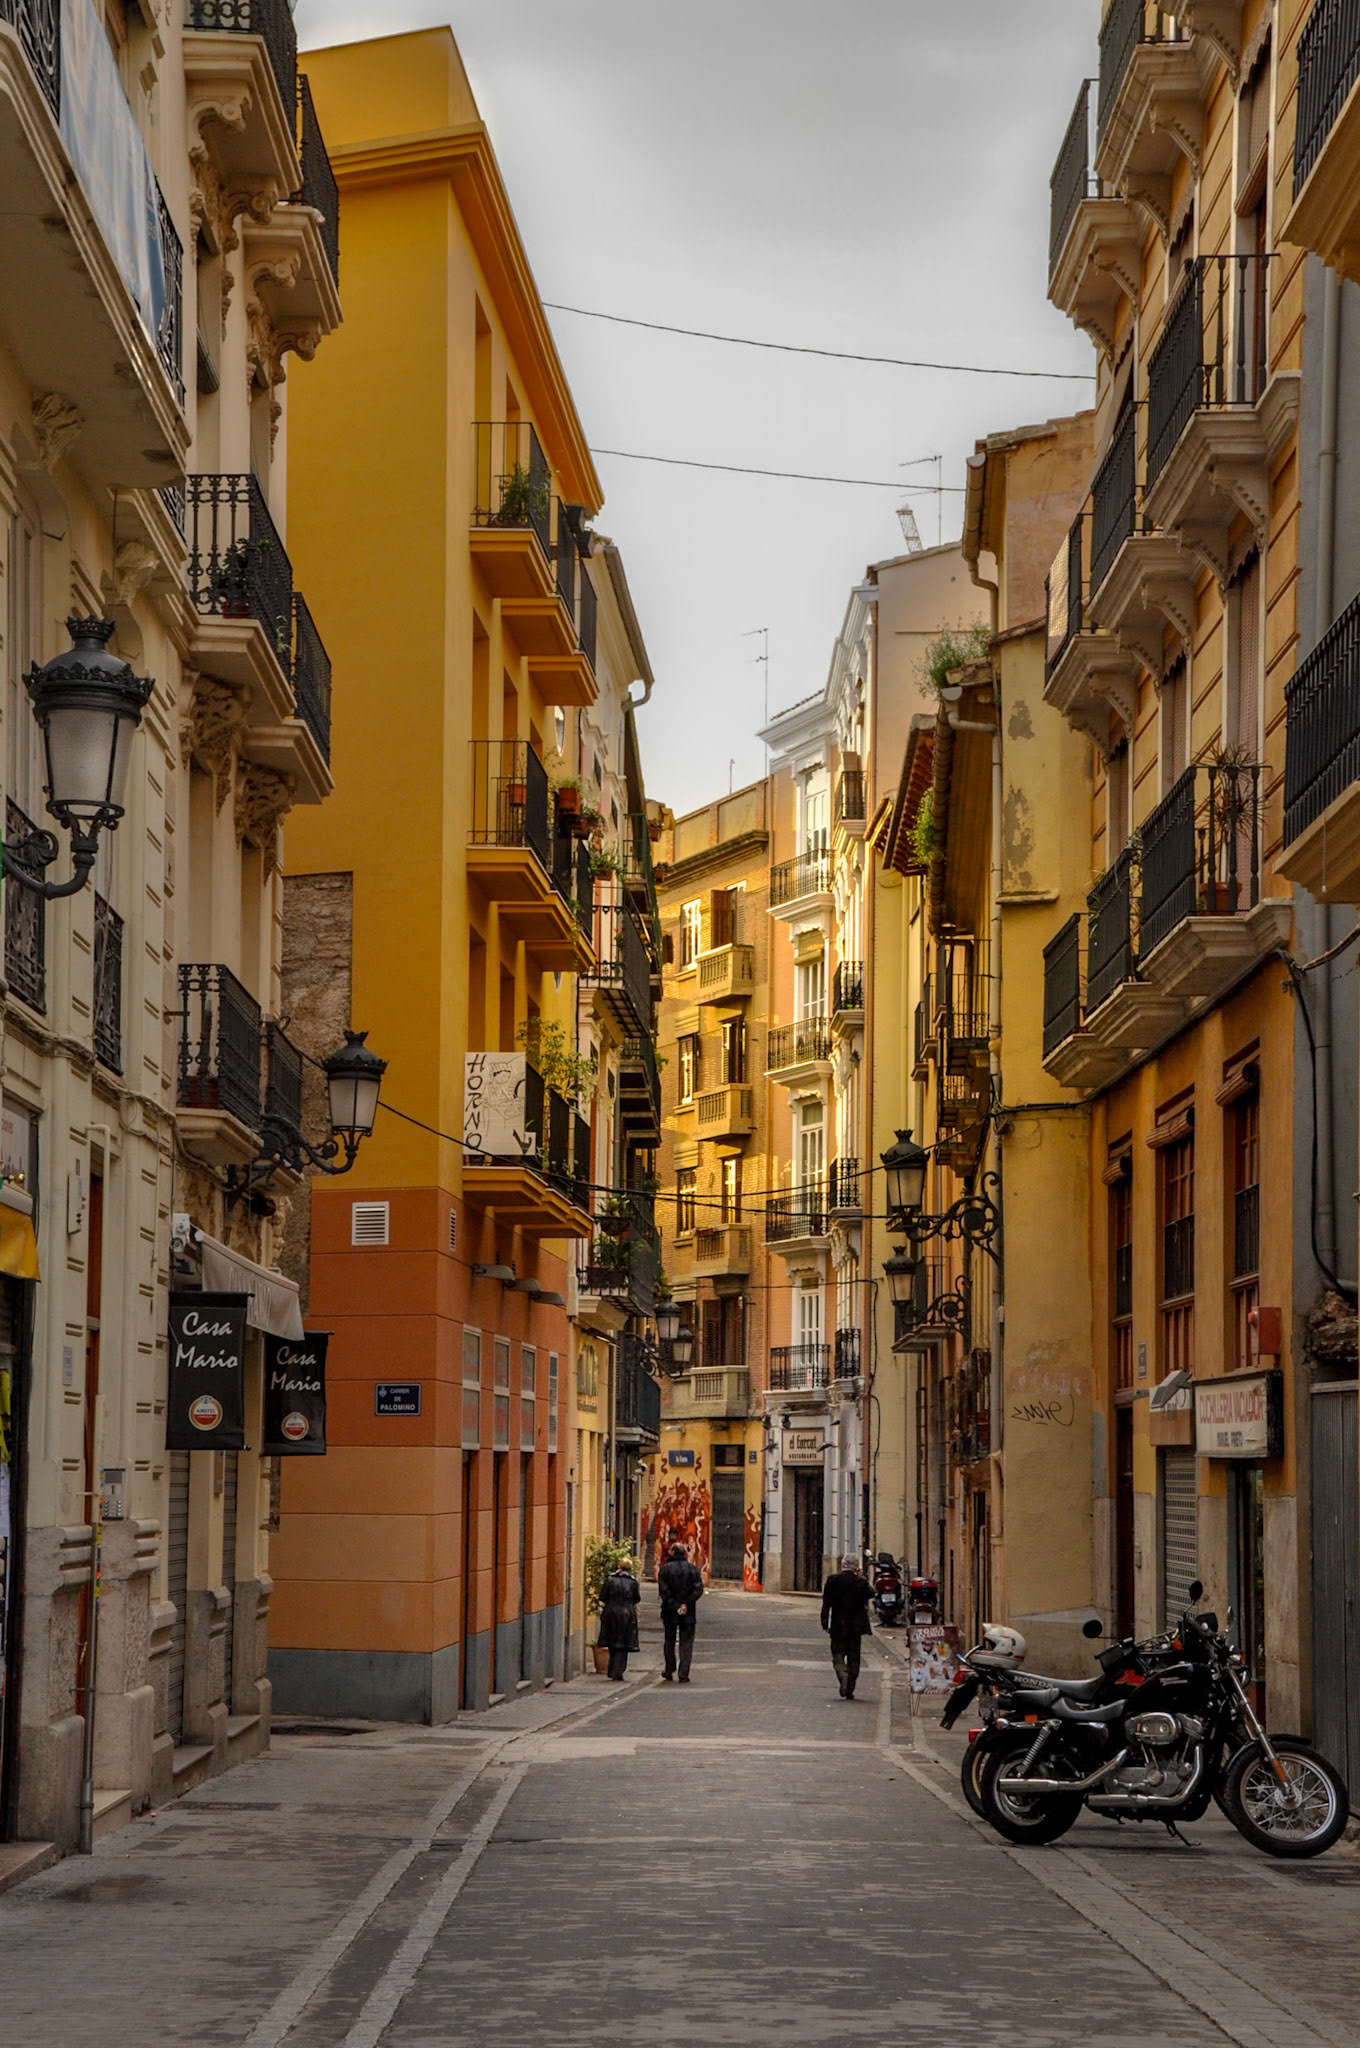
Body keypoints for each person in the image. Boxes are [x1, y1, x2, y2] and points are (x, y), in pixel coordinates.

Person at [820, 1553, 872, 1699]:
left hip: (838, 1624)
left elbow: (826, 1603)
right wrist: (861, 1577)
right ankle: (850, 1685)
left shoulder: (832, 1580)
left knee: (837, 1653)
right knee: (854, 1656)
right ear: (856, 1567)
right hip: (856, 1626)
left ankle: (843, 1674)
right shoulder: (860, 1582)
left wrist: (824, 1621)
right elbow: (871, 1593)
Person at [657, 1541, 704, 1682]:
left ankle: (669, 1668)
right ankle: (684, 1673)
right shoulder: (692, 1569)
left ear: (672, 1552)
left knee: (669, 1640)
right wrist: (686, 1604)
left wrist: (675, 1605)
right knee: (686, 1642)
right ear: (685, 1553)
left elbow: (664, 1591)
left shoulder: (665, 1569)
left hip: (670, 1611)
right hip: (688, 1611)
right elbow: (698, 1589)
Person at [597, 1557, 640, 1681]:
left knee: (612, 1640)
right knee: (624, 1642)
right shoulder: (633, 1582)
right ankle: (618, 1670)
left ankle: (612, 1669)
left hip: (610, 1612)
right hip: (627, 1613)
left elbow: (602, 1596)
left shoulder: (610, 1580)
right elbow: (636, 1598)